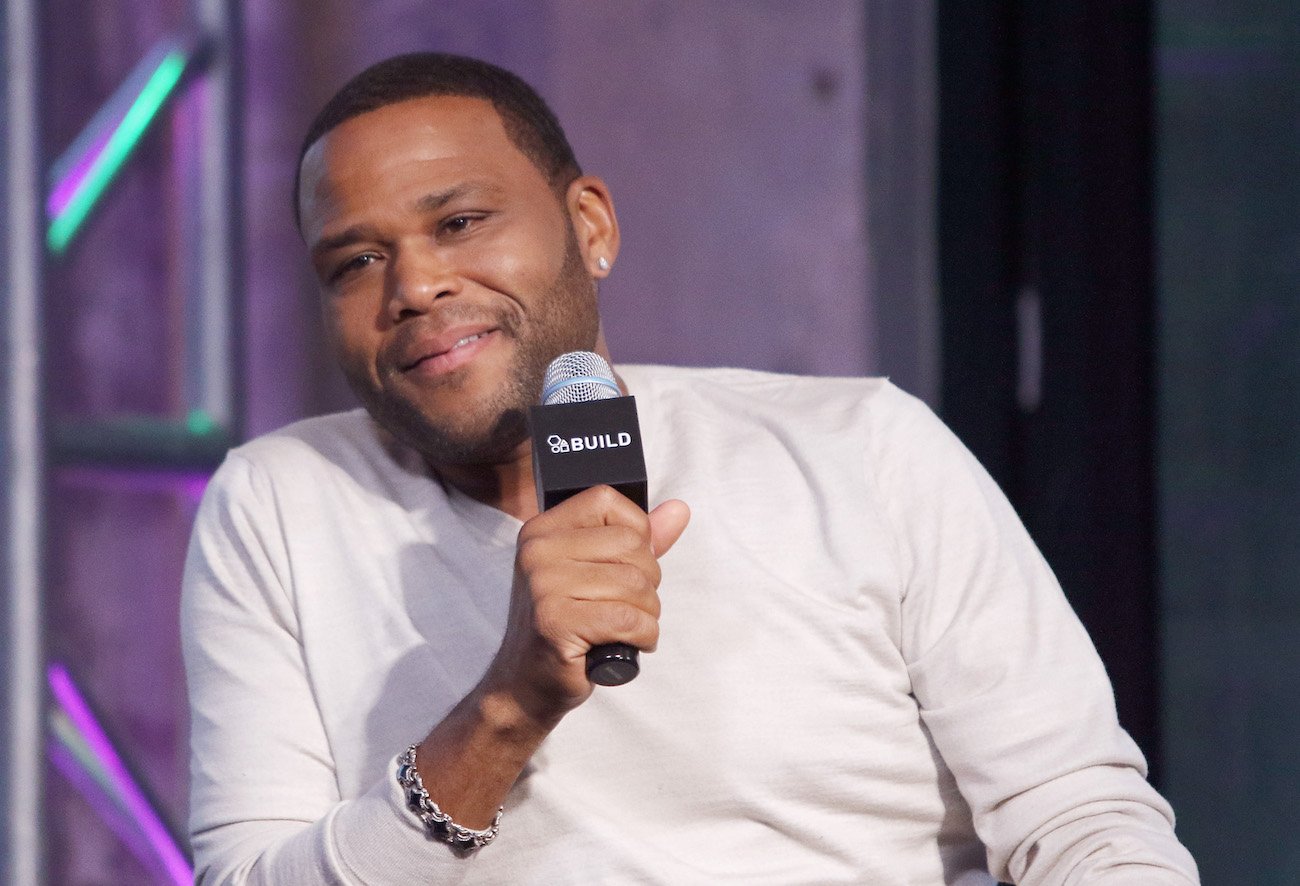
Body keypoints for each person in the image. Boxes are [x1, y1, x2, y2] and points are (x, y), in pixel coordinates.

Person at [182, 52, 1199, 884]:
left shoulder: (859, 448)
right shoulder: (279, 503)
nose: (414, 283)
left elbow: (1078, 819)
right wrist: (507, 707)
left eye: (459, 222)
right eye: (352, 262)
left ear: (591, 227)